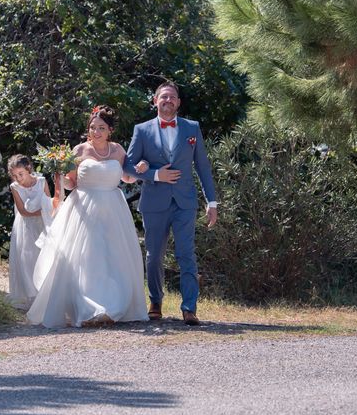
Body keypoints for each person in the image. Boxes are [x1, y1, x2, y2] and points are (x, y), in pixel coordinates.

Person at [27, 106, 149, 328]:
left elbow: (127, 178)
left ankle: (112, 307)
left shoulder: (118, 150)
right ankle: (87, 308)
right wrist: (60, 175)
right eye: (93, 127)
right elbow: (71, 183)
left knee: (112, 258)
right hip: (84, 208)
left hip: (113, 209)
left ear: (110, 130)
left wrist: (141, 168)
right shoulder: (79, 150)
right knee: (85, 258)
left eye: (101, 128)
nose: (96, 132)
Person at [124, 81, 217, 326]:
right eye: (163, 97)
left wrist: (212, 201)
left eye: (172, 97)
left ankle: (189, 308)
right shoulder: (141, 130)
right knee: (154, 256)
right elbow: (128, 165)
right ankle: (155, 302)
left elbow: (203, 167)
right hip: (154, 201)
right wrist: (154, 174)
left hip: (185, 202)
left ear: (178, 102)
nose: (168, 101)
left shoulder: (192, 128)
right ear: (155, 101)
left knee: (186, 253)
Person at [7, 154, 53, 309]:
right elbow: (23, 211)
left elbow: (49, 203)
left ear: (28, 169)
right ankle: (31, 296)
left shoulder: (41, 182)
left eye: (20, 174)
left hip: (43, 224)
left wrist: (46, 215)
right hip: (25, 225)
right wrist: (42, 212)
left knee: (44, 256)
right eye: (14, 176)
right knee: (27, 257)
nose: (18, 178)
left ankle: (45, 295)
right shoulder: (15, 187)